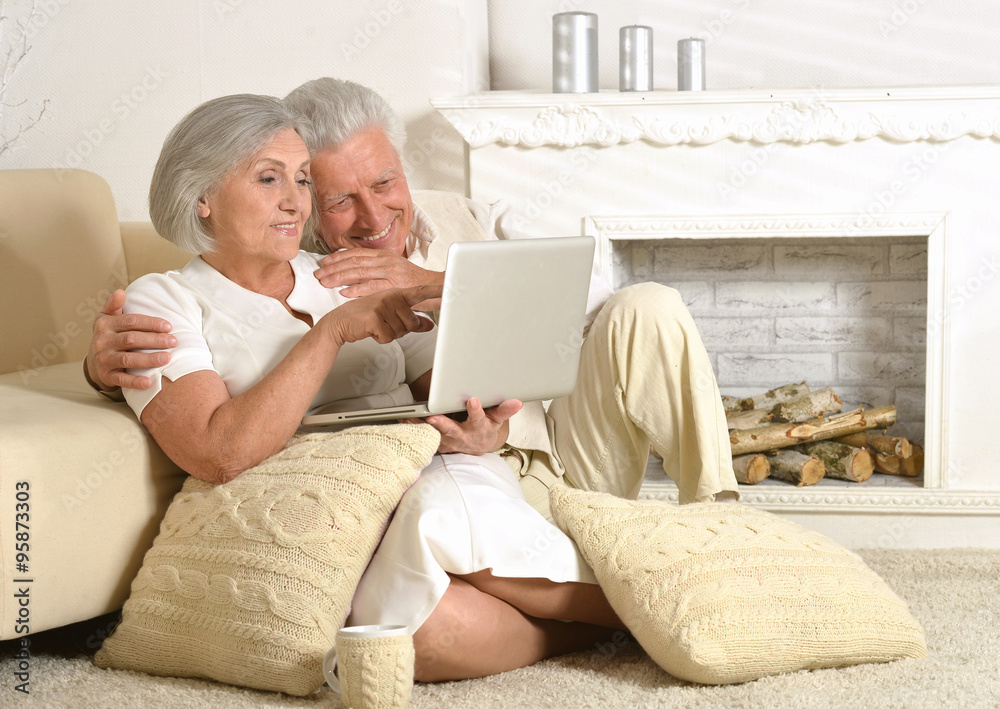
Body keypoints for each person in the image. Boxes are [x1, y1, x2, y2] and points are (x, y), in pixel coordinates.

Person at [119, 93, 627, 683]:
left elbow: (443, 386)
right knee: (418, 639)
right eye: (268, 178)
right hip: (332, 504)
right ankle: (622, 622)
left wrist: (483, 424)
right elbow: (218, 452)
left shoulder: (343, 271)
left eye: (304, 180)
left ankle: (654, 602)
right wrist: (330, 333)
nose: (294, 202)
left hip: (431, 471)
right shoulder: (164, 299)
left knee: (442, 511)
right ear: (200, 197)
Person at [85, 77, 741, 516]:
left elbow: (597, 291)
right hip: (453, 472)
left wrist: (435, 283)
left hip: (566, 450)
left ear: (403, 169)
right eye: (339, 197)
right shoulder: (313, 267)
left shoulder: (474, 217)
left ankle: (720, 513)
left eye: (384, 182)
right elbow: (225, 317)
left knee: (647, 304)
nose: (372, 216)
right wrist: (104, 372)